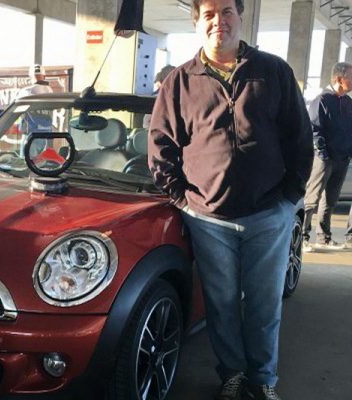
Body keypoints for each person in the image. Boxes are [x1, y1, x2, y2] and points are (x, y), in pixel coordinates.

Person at [148, 0, 313, 399]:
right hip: (208, 219)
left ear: (240, 17)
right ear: (198, 23)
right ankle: (233, 375)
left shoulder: (273, 71)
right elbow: (161, 145)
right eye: (209, 14)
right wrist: (182, 199)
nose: (218, 21)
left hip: (268, 213)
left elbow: (300, 136)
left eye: (226, 12)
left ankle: (263, 379)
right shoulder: (179, 82)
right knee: (220, 303)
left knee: (264, 304)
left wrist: (289, 197)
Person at [301, 62, 352, 252]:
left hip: (342, 159)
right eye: (351, 77)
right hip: (324, 159)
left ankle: (324, 237)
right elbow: (314, 129)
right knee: (312, 199)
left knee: (330, 200)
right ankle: (302, 237)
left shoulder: (348, 103)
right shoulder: (321, 100)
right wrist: (323, 154)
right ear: (339, 79)